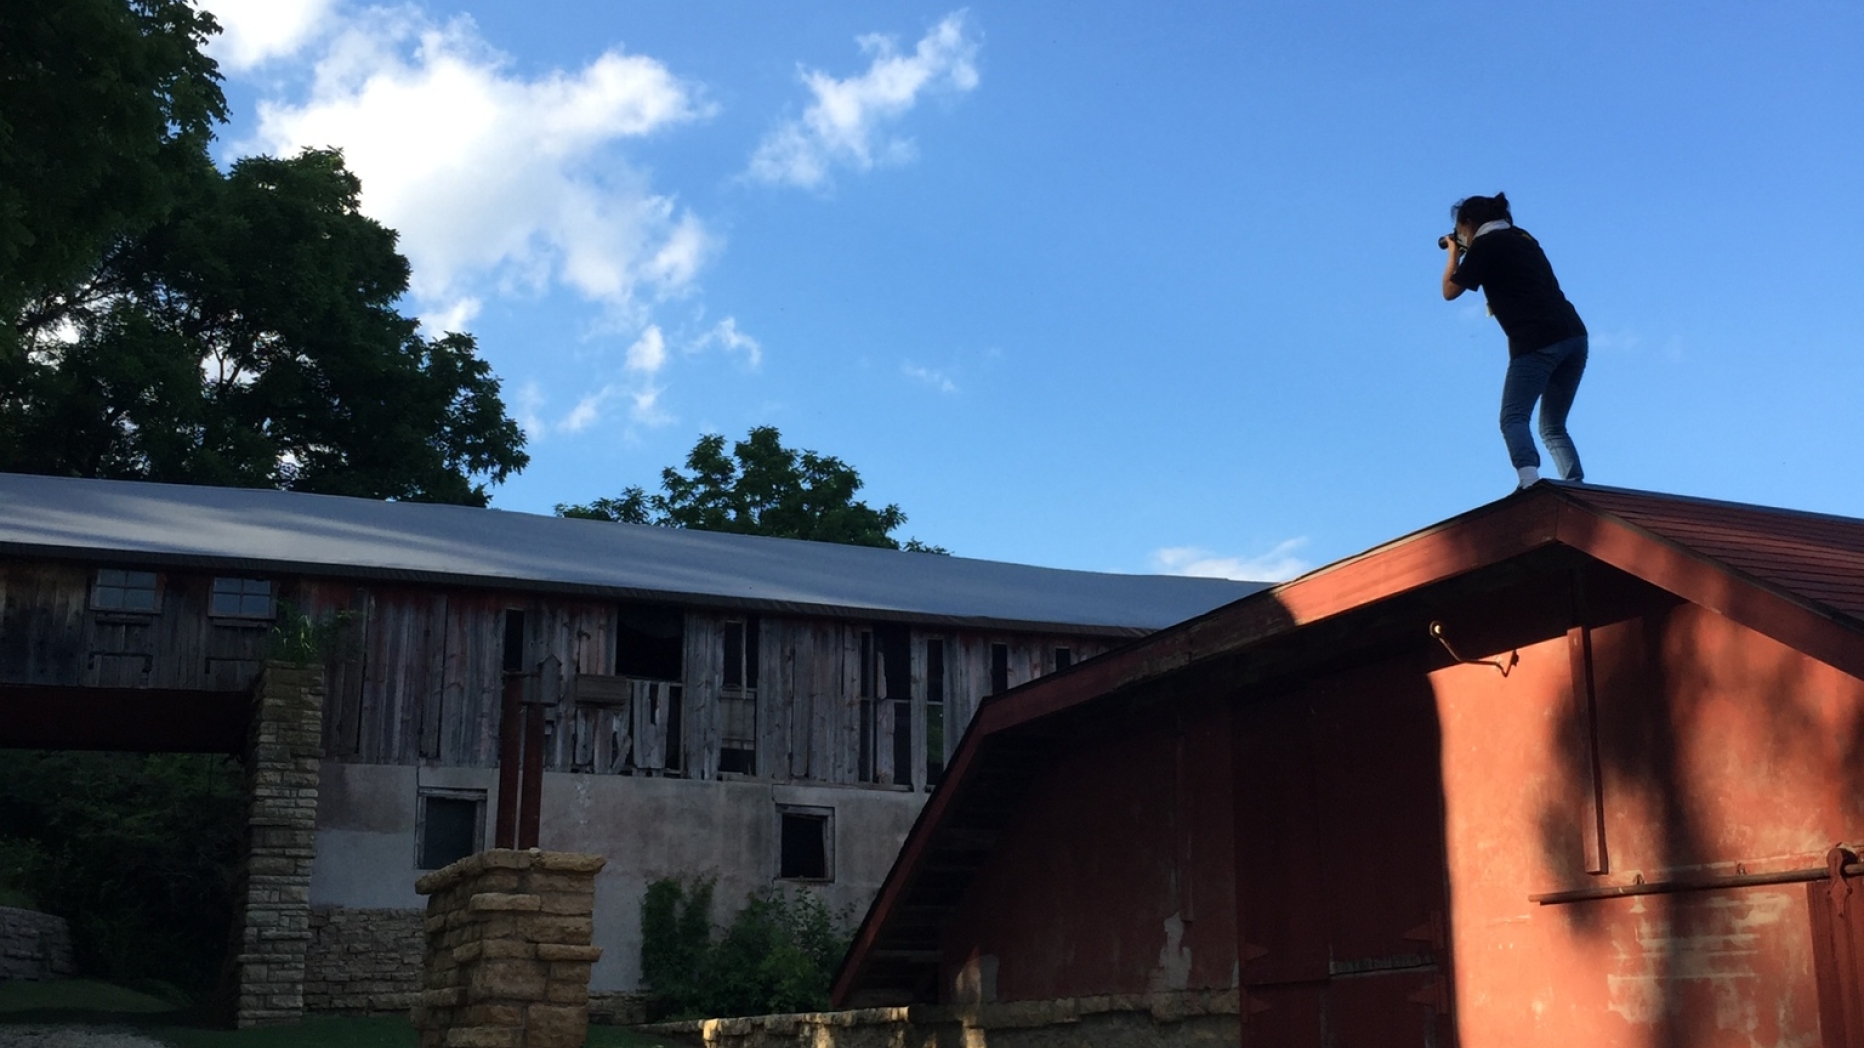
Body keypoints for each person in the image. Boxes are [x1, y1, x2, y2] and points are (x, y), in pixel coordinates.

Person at [1441, 192, 1588, 489]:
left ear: (1468, 223)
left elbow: (1449, 290)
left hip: (1536, 342)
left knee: (1513, 418)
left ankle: (1529, 482)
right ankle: (1576, 487)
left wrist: (1454, 253)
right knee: (1553, 426)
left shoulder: (1485, 246)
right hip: (1574, 336)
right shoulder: (1523, 237)